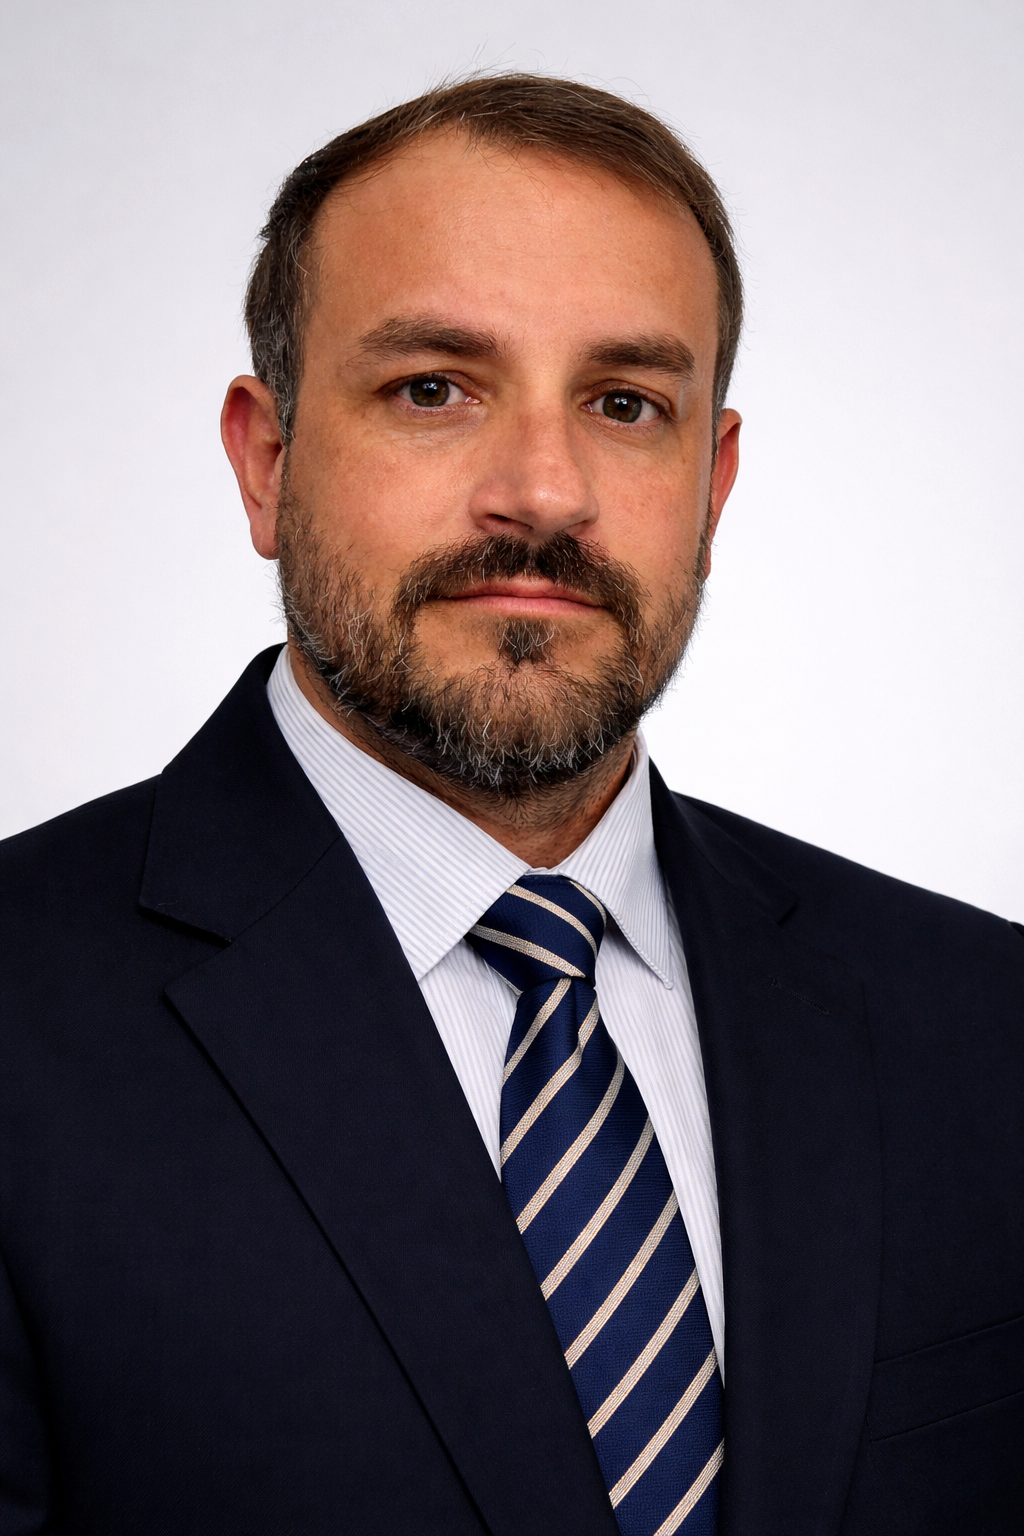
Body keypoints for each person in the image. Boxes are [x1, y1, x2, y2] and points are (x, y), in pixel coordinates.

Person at [0, 73, 1020, 1536]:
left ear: (713, 485)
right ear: (266, 459)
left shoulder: (982, 1023)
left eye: (624, 403)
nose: (543, 492)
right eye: (434, 388)